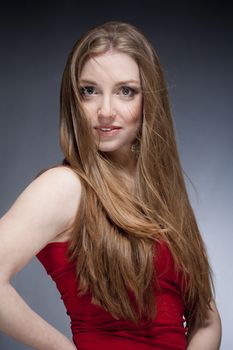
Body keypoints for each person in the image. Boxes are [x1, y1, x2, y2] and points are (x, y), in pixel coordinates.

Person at [0, 21, 221, 350]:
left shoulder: (162, 193)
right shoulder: (65, 186)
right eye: (89, 90)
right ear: (73, 100)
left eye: (126, 91)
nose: (105, 111)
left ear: (150, 102)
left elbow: (205, 315)